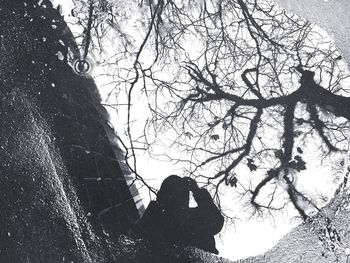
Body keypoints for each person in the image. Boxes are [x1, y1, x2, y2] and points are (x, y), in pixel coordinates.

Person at [133, 175, 224, 254]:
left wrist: (197, 191)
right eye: (173, 194)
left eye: (182, 194)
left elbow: (216, 221)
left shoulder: (195, 218)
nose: (177, 199)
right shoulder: (157, 220)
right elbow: (136, 239)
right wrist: (154, 208)